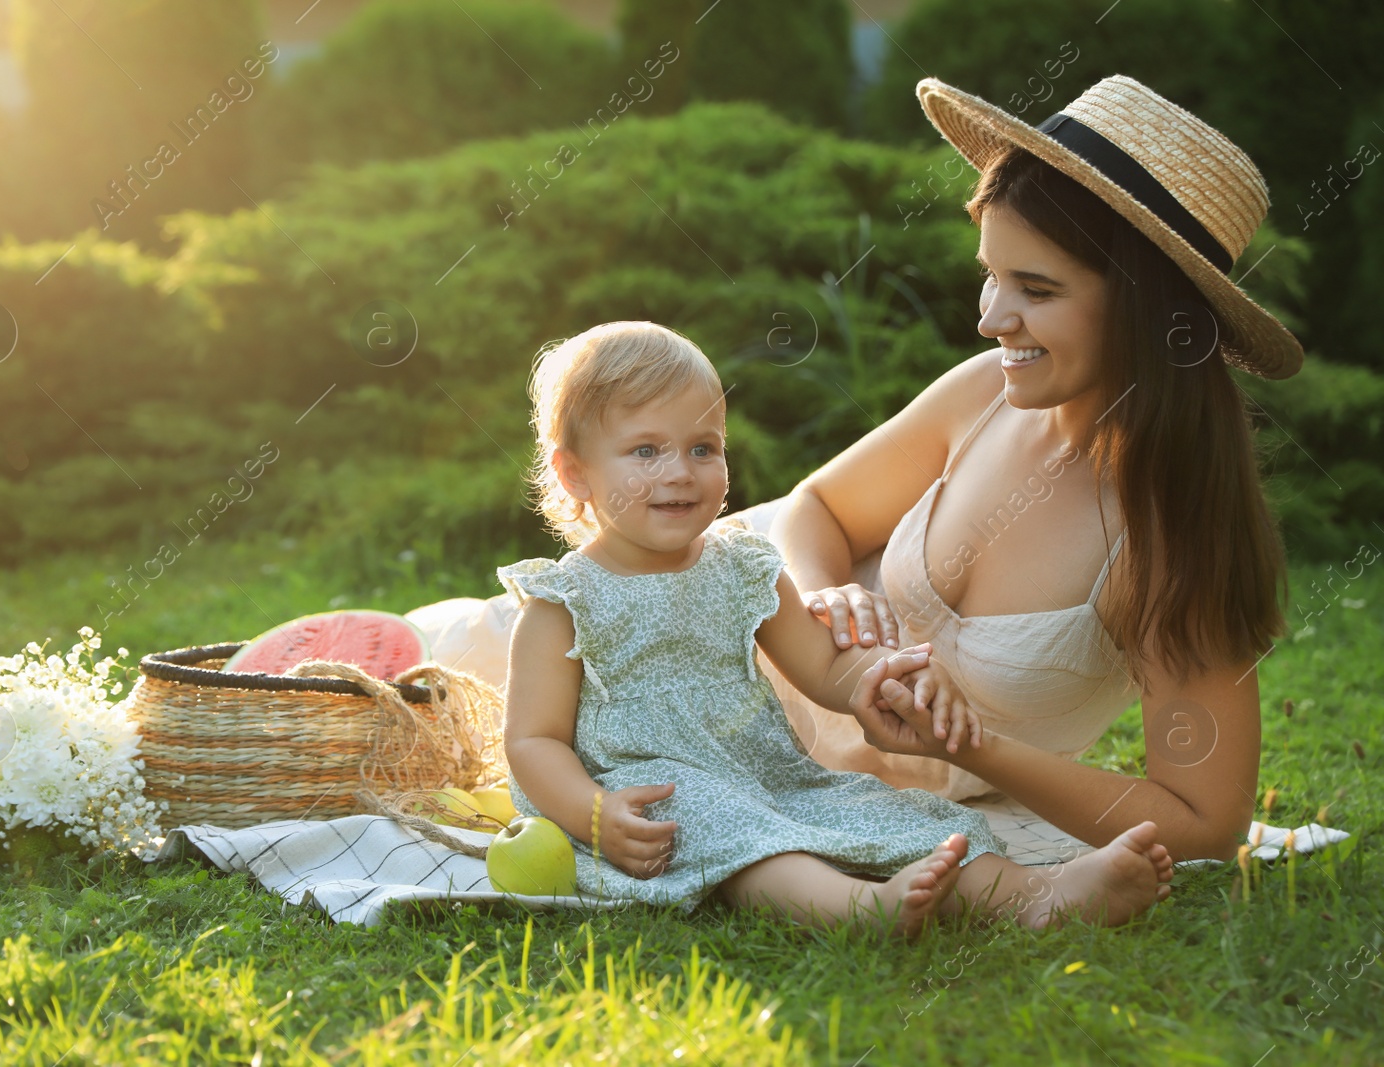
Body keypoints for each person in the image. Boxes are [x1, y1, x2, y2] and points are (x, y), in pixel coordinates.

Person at [409, 74, 1300, 865]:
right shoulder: (986, 393)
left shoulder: (1172, 536)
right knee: (423, 669)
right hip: (686, 615)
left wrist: (972, 746)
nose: (992, 318)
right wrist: (825, 587)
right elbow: (812, 509)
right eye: (990, 277)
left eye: (1036, 290)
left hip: (780, 766)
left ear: (1147, 310)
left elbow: (1204, 823)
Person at [496, 320, 1174, 933]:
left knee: (882, 810)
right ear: (574, 473)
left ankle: (1038, 892)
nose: (680, 472)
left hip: (767, 774)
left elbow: (823, 667)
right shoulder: (566, 599)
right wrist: (592, 811)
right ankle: (855, 909)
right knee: (735, 832)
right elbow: (534, 740)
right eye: (645, 451)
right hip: (648, 793)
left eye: (703, 447)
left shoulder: (740, 567)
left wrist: (876, 676)